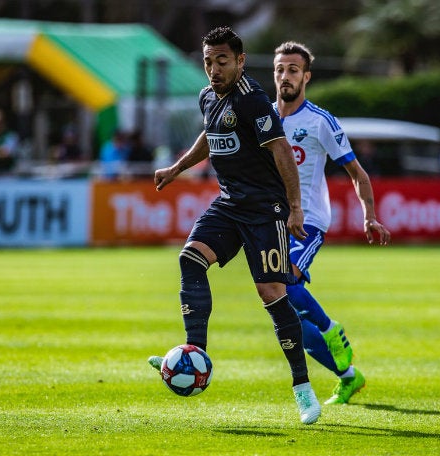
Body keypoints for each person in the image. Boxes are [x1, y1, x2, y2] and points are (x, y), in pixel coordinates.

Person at [147, 27, 320, 424]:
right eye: (208, 61)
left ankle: (303, 388)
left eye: (222, 61)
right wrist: (177, 168)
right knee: (190, 259)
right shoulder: (208, 96)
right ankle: (194, 357)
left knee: (272, 294)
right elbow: (210, 135)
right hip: (229, 204)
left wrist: (295, 209)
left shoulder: (253, 100)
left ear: (240, 61)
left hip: (265, 209)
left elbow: (281, 151)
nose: (214, 69)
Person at [273, 41, 391, 405]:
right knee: (286, 316)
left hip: (307, 221)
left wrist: (369, 215)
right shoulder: (263, 118)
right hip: (270, 220)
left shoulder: (320, 121)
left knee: (285, 279)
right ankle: (349, 376)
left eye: (293, 69)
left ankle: (330, 329)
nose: (285, 76)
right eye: (280, 69)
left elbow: (357, 172)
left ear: (306, 77)